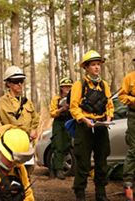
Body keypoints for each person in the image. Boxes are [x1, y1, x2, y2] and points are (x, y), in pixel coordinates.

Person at [70, 50, 114, 201]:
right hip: (85, 126)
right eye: (93, 65)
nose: (97, 67)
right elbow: (74, 107)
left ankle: (100, 193)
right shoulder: (79, 85)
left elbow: (109, 104)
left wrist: (108, 117)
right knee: (83, 161)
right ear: (86, 68)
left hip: (101, 125)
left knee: (102, 160)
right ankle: (80, 193)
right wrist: (84, 120)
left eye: (98, 64)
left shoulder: (104, 85)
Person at [0, 65, 39, 176]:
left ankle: (25, 190)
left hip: (28, 142)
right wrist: (28, 131)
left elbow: (35, 117)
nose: (20, 84)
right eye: (16, 81)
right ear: (8, 83)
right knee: (13, 171)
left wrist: (34, 129)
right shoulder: (3, 102)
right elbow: (10, 122)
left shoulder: (26, 101)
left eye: (21, 81)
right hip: (13, 143)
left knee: (28, 169)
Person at [49, 77, 73, 180]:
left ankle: (61, 167)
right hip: (59, 122)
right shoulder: (56, 98)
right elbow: (52, 113)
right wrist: (62, 109)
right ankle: (57, 170)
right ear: (61, 88)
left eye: (69, 87)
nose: (67, 89)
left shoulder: (74, 98)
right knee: (58, 145)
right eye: (65, 87)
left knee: (67, 145)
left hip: (69, 121)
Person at [118, 58, 135, 201]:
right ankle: (128, 184)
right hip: (134, 116)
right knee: (134, 149)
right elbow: (121, 96)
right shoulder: (129, 78)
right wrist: (133, 100)